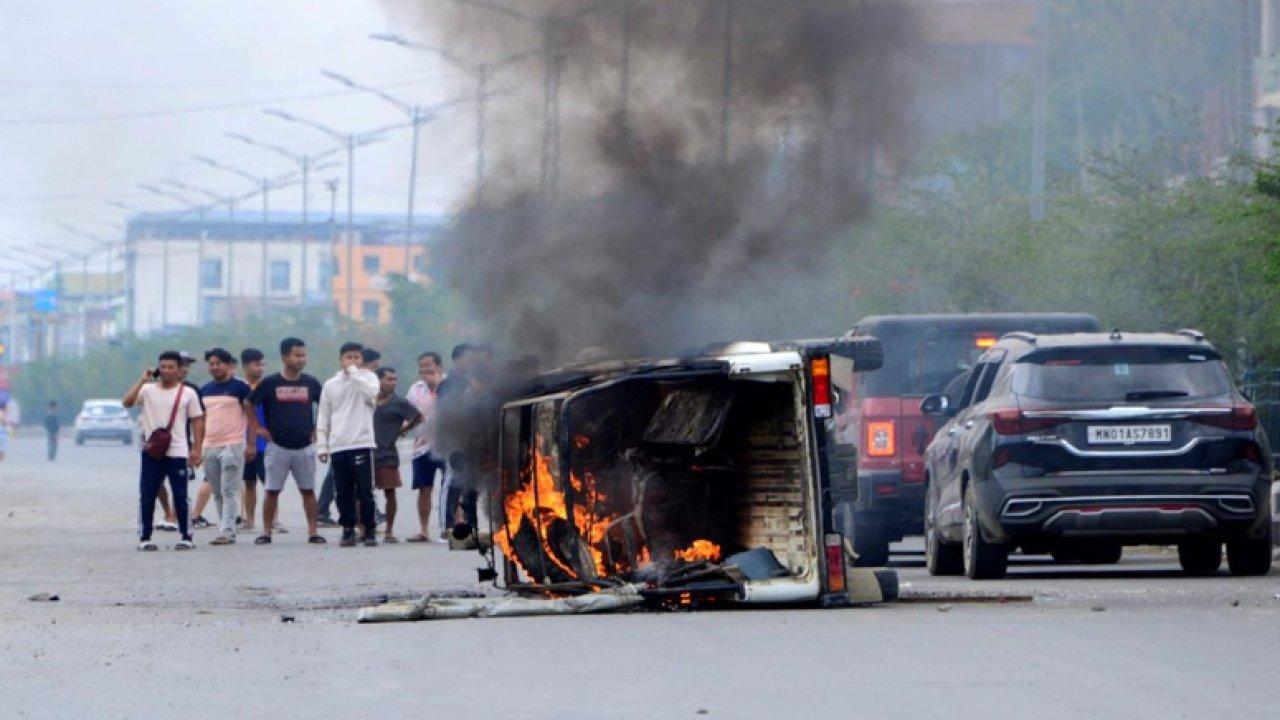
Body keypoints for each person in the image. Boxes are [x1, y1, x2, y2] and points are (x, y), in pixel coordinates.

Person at [245, 338, 325, 545]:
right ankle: (266, 531)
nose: (301, 359)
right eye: (297, 355)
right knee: (271, 491)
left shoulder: (311, 383)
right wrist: (257, 427)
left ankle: (313, 531)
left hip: (304, 445)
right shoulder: (270, 383)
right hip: (277, 445)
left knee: (308, 490)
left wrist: (319, 427)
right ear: (284, 357)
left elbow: (325, 405)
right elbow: (249, 403)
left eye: (303, 355)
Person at [123, 350, 205, 551]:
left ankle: (186, 535)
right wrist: (142, 381)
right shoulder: (148, 390)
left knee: (180, 494)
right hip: (152, 450)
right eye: (163, 367)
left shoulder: (188, 393)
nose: (166, 371)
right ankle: (145, 537)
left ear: (179, 371)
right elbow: (127, 402)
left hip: (177, 450)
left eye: (171, 367)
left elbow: (197, 421)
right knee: (148, 493)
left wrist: (197, 449)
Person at [316, 342, 379, 547]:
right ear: (340, 359)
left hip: (361, 443)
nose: (352, 362)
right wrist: (323, 445)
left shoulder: (368, 378)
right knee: (342, 492)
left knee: (365, 491)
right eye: (348, 358)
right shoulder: (331, 384)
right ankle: (348, 529)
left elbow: (372, 394)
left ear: (362, 360)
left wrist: (355, 374)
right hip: (339, 445)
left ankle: (369, 529)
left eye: (356, 358)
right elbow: (324, 416)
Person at [198, 348, 253, 545]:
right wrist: (197, 447)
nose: (214, 367)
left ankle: (227, 531)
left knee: (229, 489)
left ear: (229, 365)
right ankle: (225, 527)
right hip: (210, 445)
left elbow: (251, 416)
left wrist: (251, 443)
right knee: (217, 491)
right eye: (211, 364)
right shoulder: (204, 390)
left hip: (233, 444)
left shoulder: (241, 388)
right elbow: (201, 420)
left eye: (218, 363)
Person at [372, 367, 422, 543]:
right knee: (361, 492)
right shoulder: (368, 399)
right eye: (388, 379)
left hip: (387, 453)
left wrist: (404, 429)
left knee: (390, 492)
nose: (392, 383)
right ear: (378, 380)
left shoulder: (399, 402)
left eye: (394, 379)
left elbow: (418, 416)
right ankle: (363, 527)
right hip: (366, 450)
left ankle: (389, 530)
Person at [159, 352, 204, 529]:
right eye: (182, 365)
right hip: (158, 443)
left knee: (180, 483)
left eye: (187, 366)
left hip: (182, 443)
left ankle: (174, 518)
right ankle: (168, 512)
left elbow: (199, 419)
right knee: (156, 483)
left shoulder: (192, 390)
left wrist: (198, 447)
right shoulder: (156, 387)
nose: (184, 369)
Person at [405, 352, 445, 543]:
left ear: (438, 366)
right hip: (422, 445)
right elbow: (410, 414)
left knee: (451, 487)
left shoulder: (449, 385)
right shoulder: (415, 389)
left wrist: (436, 386)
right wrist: (403, 428)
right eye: (421, 366)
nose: (424, 370)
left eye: (428, 365)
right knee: (424, 488)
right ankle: (423, 529)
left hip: (447, 444)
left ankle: (453, 526)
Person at [238, 348, 268, 532]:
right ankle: (249, 519)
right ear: (245, 366)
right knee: (249, 482)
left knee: (270, 484)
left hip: (265, 441)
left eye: (262, 364)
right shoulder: (240, 388)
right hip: (243, 440)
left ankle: (273, 520)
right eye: (256, 364)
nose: (260, 368)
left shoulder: (267, 386)